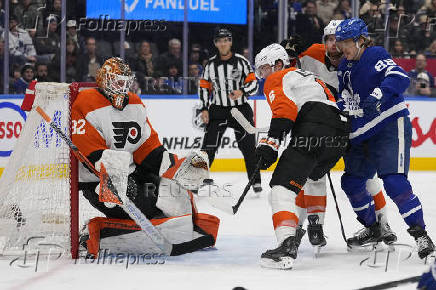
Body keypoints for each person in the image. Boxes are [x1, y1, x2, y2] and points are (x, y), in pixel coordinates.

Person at [71, 57, 219, 257]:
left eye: (126, 82)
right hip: (100, 184)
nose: (123, 87)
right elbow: (88, 152)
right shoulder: (86, 102)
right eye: (117, 81)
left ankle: (169, 228)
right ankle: (96, 232)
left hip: (134, 174)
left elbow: (147, 148)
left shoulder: (135, 103)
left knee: (175, 194)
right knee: (152, 207)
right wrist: (111, 178)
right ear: (104, 80)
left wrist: (175, 168)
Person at [283, 20, 397, 249]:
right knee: (313, 176)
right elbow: (284, 75)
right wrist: (289, 56)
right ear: (324, 41)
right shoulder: (311, 54)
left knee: (367, 178)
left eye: (340, 39)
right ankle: (312, 226)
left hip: (353, 128)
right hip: (320, 128)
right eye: (330, 39)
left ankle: (383, 224)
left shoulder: (357, 60)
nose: (335, 45)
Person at [335, 18, 434, 258]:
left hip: (389, 123)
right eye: (340, 44)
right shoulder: (343, 67)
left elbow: (399, 77)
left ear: (360, 40)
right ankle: (374, 228)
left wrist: (379, 93)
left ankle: (421, 235)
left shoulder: (375, 54)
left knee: (393, 181)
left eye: (346, 42)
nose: (342, 48)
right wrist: (340, 108)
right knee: (351, 181)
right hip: (362, 131)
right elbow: (344, 96)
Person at [254, 43, 350, 269]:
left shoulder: (278, 77)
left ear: (278, 64)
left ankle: (286, 245)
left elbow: (284, 112)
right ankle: (308, 226)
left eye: (264, 69)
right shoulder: (310, 77)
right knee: (310, 179)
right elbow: (330, 102)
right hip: (339, 133)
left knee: (281, 188)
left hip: (314, 126)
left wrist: (270, 145)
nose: (262, 76)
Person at [198, 28, 261, 193]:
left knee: (248, 147)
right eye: (219, 40)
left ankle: (255, 181)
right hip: (218, 110)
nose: (223, 43)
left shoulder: (242, 62)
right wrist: (204, 108)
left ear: (230, 42)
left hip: (240, 109)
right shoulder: (210, 65)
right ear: (215, 43)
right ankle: (197, 181)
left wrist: (242, 91)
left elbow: (254, 83)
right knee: (208, 146)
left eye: (226, 40)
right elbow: (204, 87)